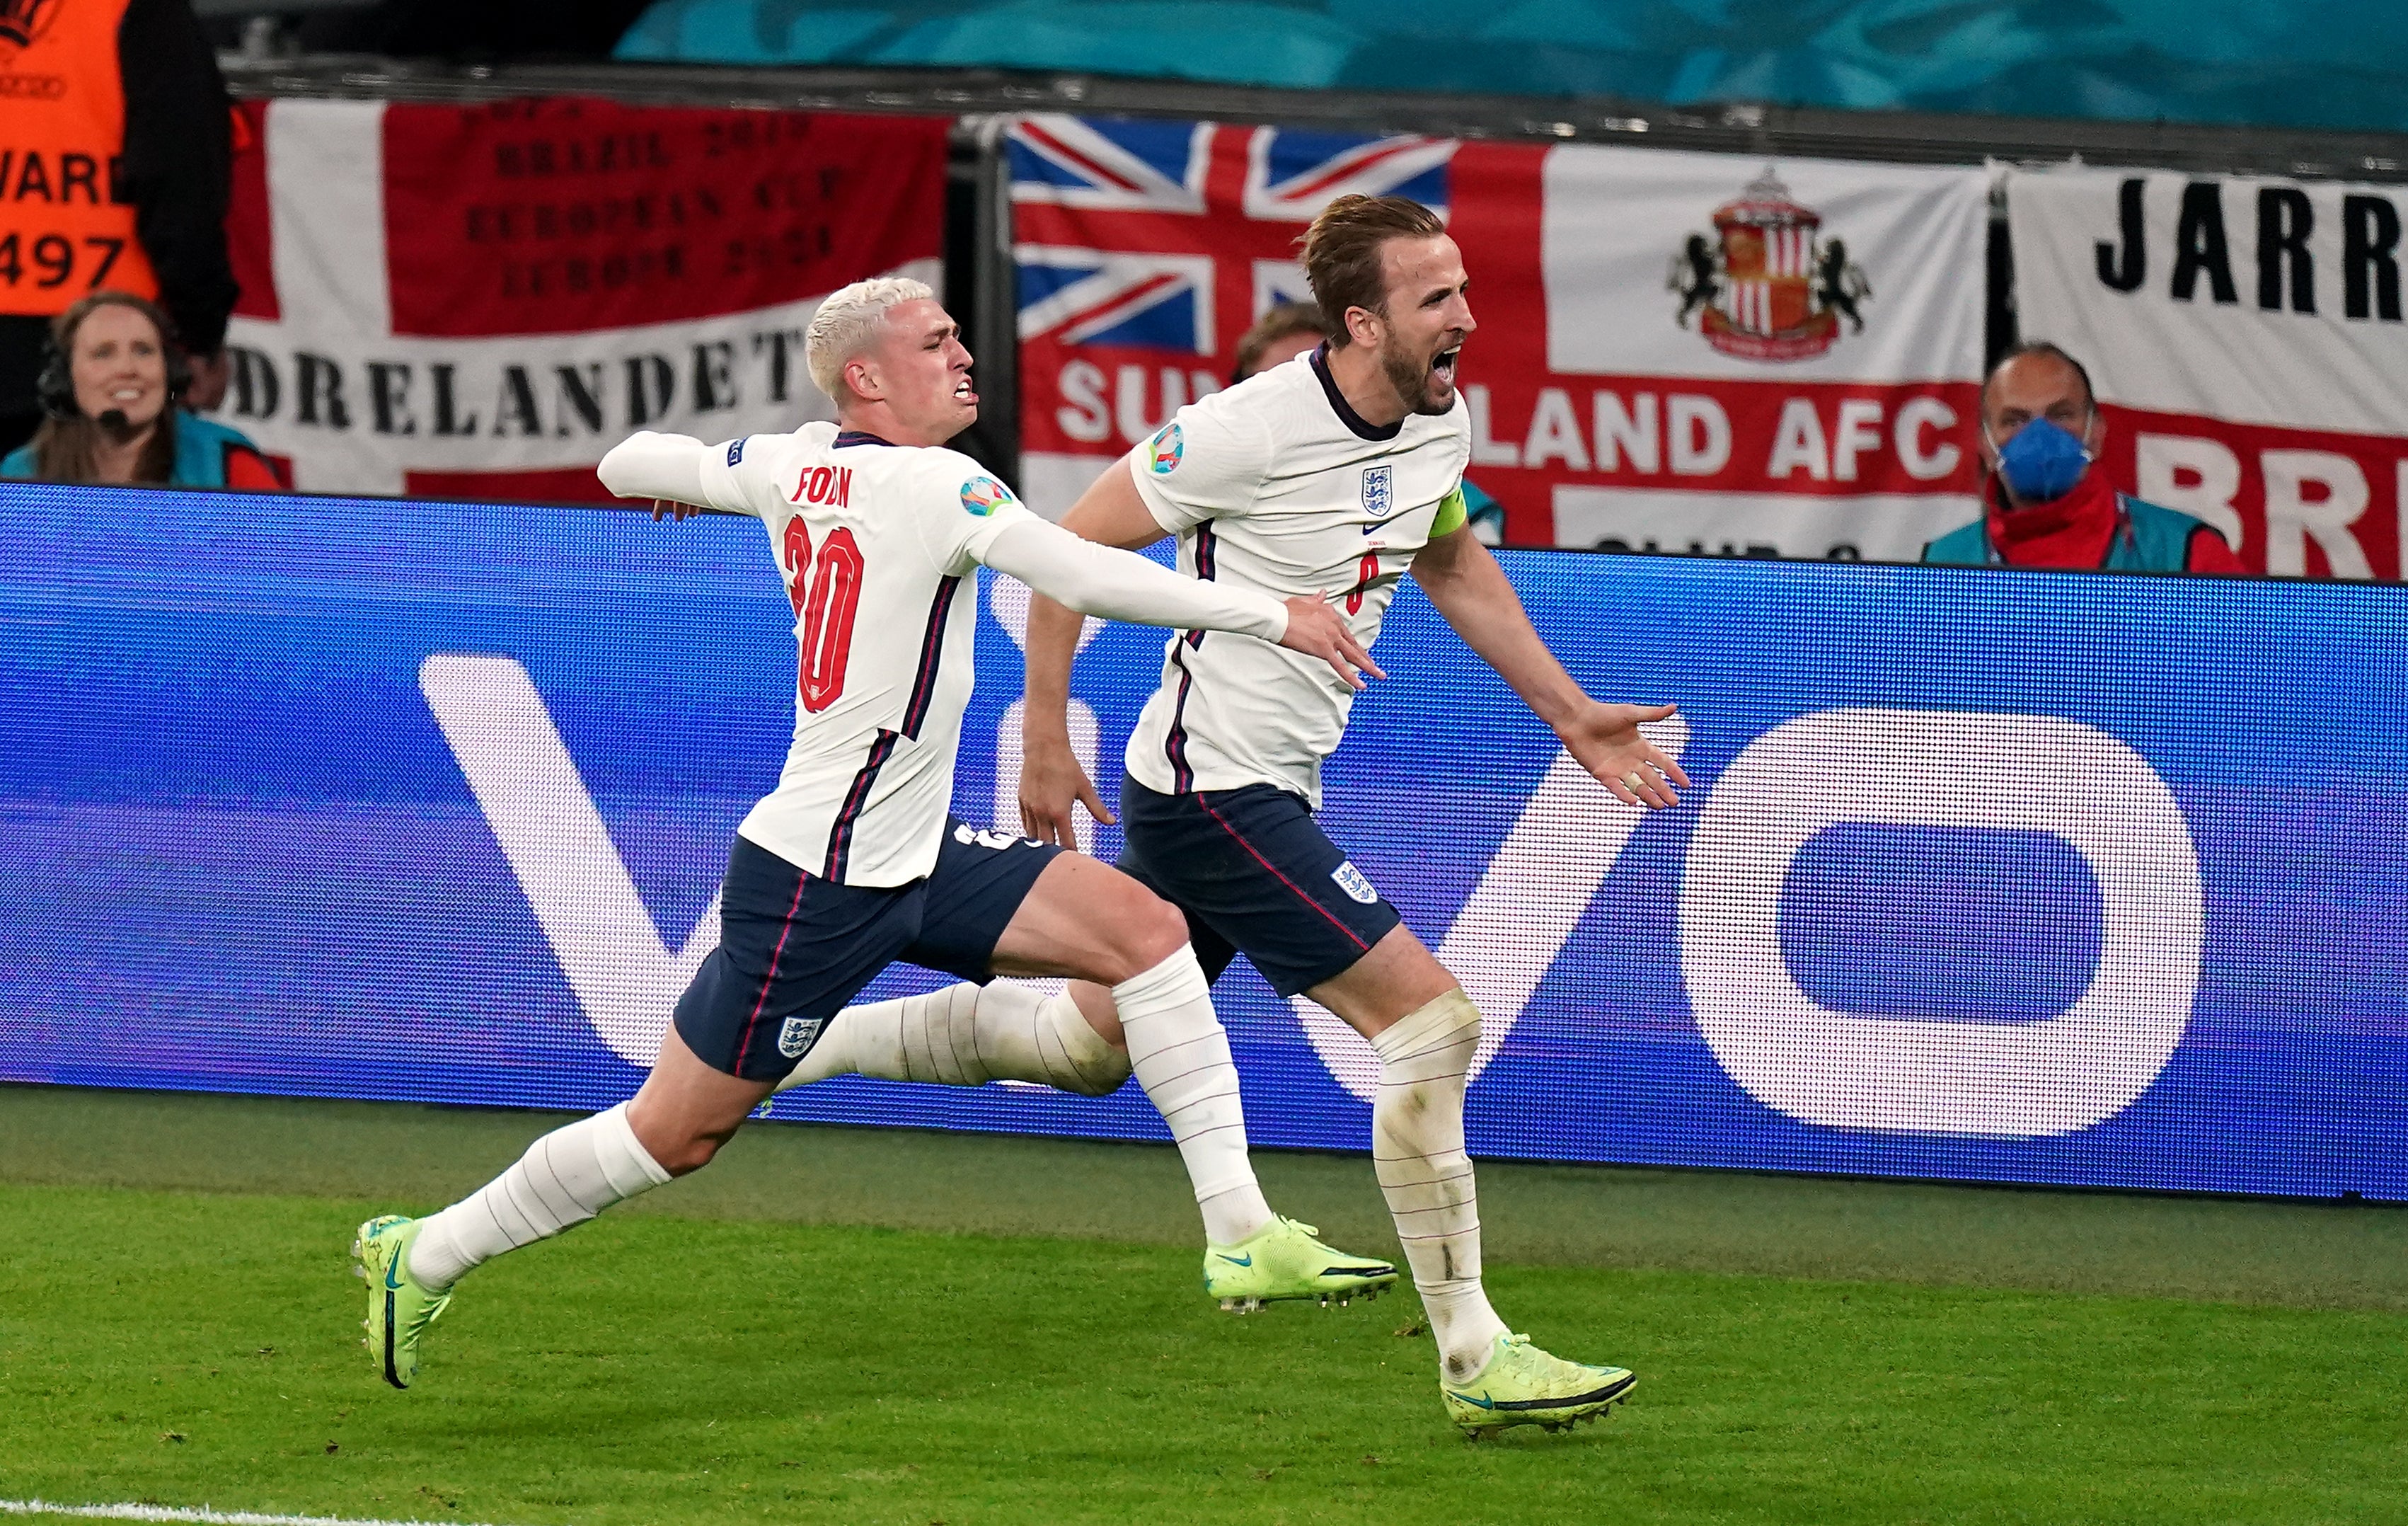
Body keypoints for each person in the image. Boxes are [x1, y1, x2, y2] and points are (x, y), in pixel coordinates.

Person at [352, 276, 1398, 1390]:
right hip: (816, 876)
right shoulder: (939, 482)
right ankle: (424, 1250)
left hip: (914, 849)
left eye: (958, 334)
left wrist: (694, 483)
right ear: (867, 377)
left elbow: (626, 463)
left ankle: (1240, 1233)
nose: (962, 356)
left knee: (1147, 932)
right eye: (935, 342)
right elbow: (1081, 572)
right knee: (679, 1135)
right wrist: (1268, 610)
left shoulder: (791, 462)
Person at [819, 197, 1686, 1435]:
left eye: (1462, 290)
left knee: (1086, 1045)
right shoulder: (1243, 429)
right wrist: (1046, 736)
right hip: (1208, 791)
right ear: (1360, 320)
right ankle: (1474, 1353)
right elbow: (1064, 550)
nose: (1466, 318)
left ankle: (814, 1041)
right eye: (1435, 298)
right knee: (1431, 1028)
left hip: (1262, 785)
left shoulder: (1439, 420)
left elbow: (1443, 558)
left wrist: (1566, 710)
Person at [0, 0, 240, 455]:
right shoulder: (137, 13)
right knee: (84, 527)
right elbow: (181, 189)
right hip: (98, 363)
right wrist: (201, 336)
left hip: (83, 360)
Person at [1921, 342, 2240, 573]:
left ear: (2097, 433)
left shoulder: (2186, 554)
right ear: (1985, 446)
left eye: (2061, 415)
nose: (2040, 437)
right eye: (2014, 421)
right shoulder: (1943, 563)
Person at [1234, 299, 1508, 544]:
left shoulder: (1450, 496)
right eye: (1282, 385)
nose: (1304, 397)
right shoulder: (1223, 481)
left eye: (1318, 380)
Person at [1, 291, 278, 488]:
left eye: (143, 351)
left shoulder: (225, 462)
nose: (127, 369)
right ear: (64, 381)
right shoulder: (22, 475)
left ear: (171, 373)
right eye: (103, 354)